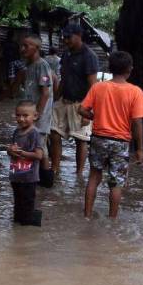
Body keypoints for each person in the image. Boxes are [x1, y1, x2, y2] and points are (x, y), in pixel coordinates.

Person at [79, 51, 143, 219]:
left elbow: (82, 109)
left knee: (94, 177)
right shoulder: (135, 92)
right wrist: (140, 149)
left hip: (98, 139)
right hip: (120, 142)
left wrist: (95, 117)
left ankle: (87, 216)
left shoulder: (98, 87)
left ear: (110, 68)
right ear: (130, 69)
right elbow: (137, 122)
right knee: (116, 183)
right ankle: (112, 220)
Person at [51, 24, 98, 175]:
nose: (65, 40)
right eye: (64, 37)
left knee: (81, 140)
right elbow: (63, 78)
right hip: (63, 101)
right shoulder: (66, 54)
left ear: (79, 35)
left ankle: (78, 174)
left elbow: (93, 86)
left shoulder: (89, 56)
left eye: (68, 37)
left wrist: (88, 111)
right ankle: (55, 169)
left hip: (80, 104)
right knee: (54, 133)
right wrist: (55, 99)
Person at [18, 35, 54, 179]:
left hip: (39, 115)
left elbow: (45, 93)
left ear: (37, 48)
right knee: (33, 144)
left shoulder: (42, 65)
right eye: (22, 45)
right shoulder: (29, 65)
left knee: (41, 146)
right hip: (31, 114)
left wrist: (37, 114)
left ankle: (46, 179)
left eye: (26, 46)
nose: (23, 49)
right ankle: (36, 177)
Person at [7, 100, 45, 226]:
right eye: (18, 115)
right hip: (16, 175)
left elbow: (39, 155)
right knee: (17, 207)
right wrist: (10, 151)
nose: (21, 119)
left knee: (27, 207)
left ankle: (27, 233)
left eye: (25, 116)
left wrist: (21, 152)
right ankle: (18, 233)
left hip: (29, 178)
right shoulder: (16, 132)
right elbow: (12, 152)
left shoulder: (35, 134)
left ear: (35, 116)